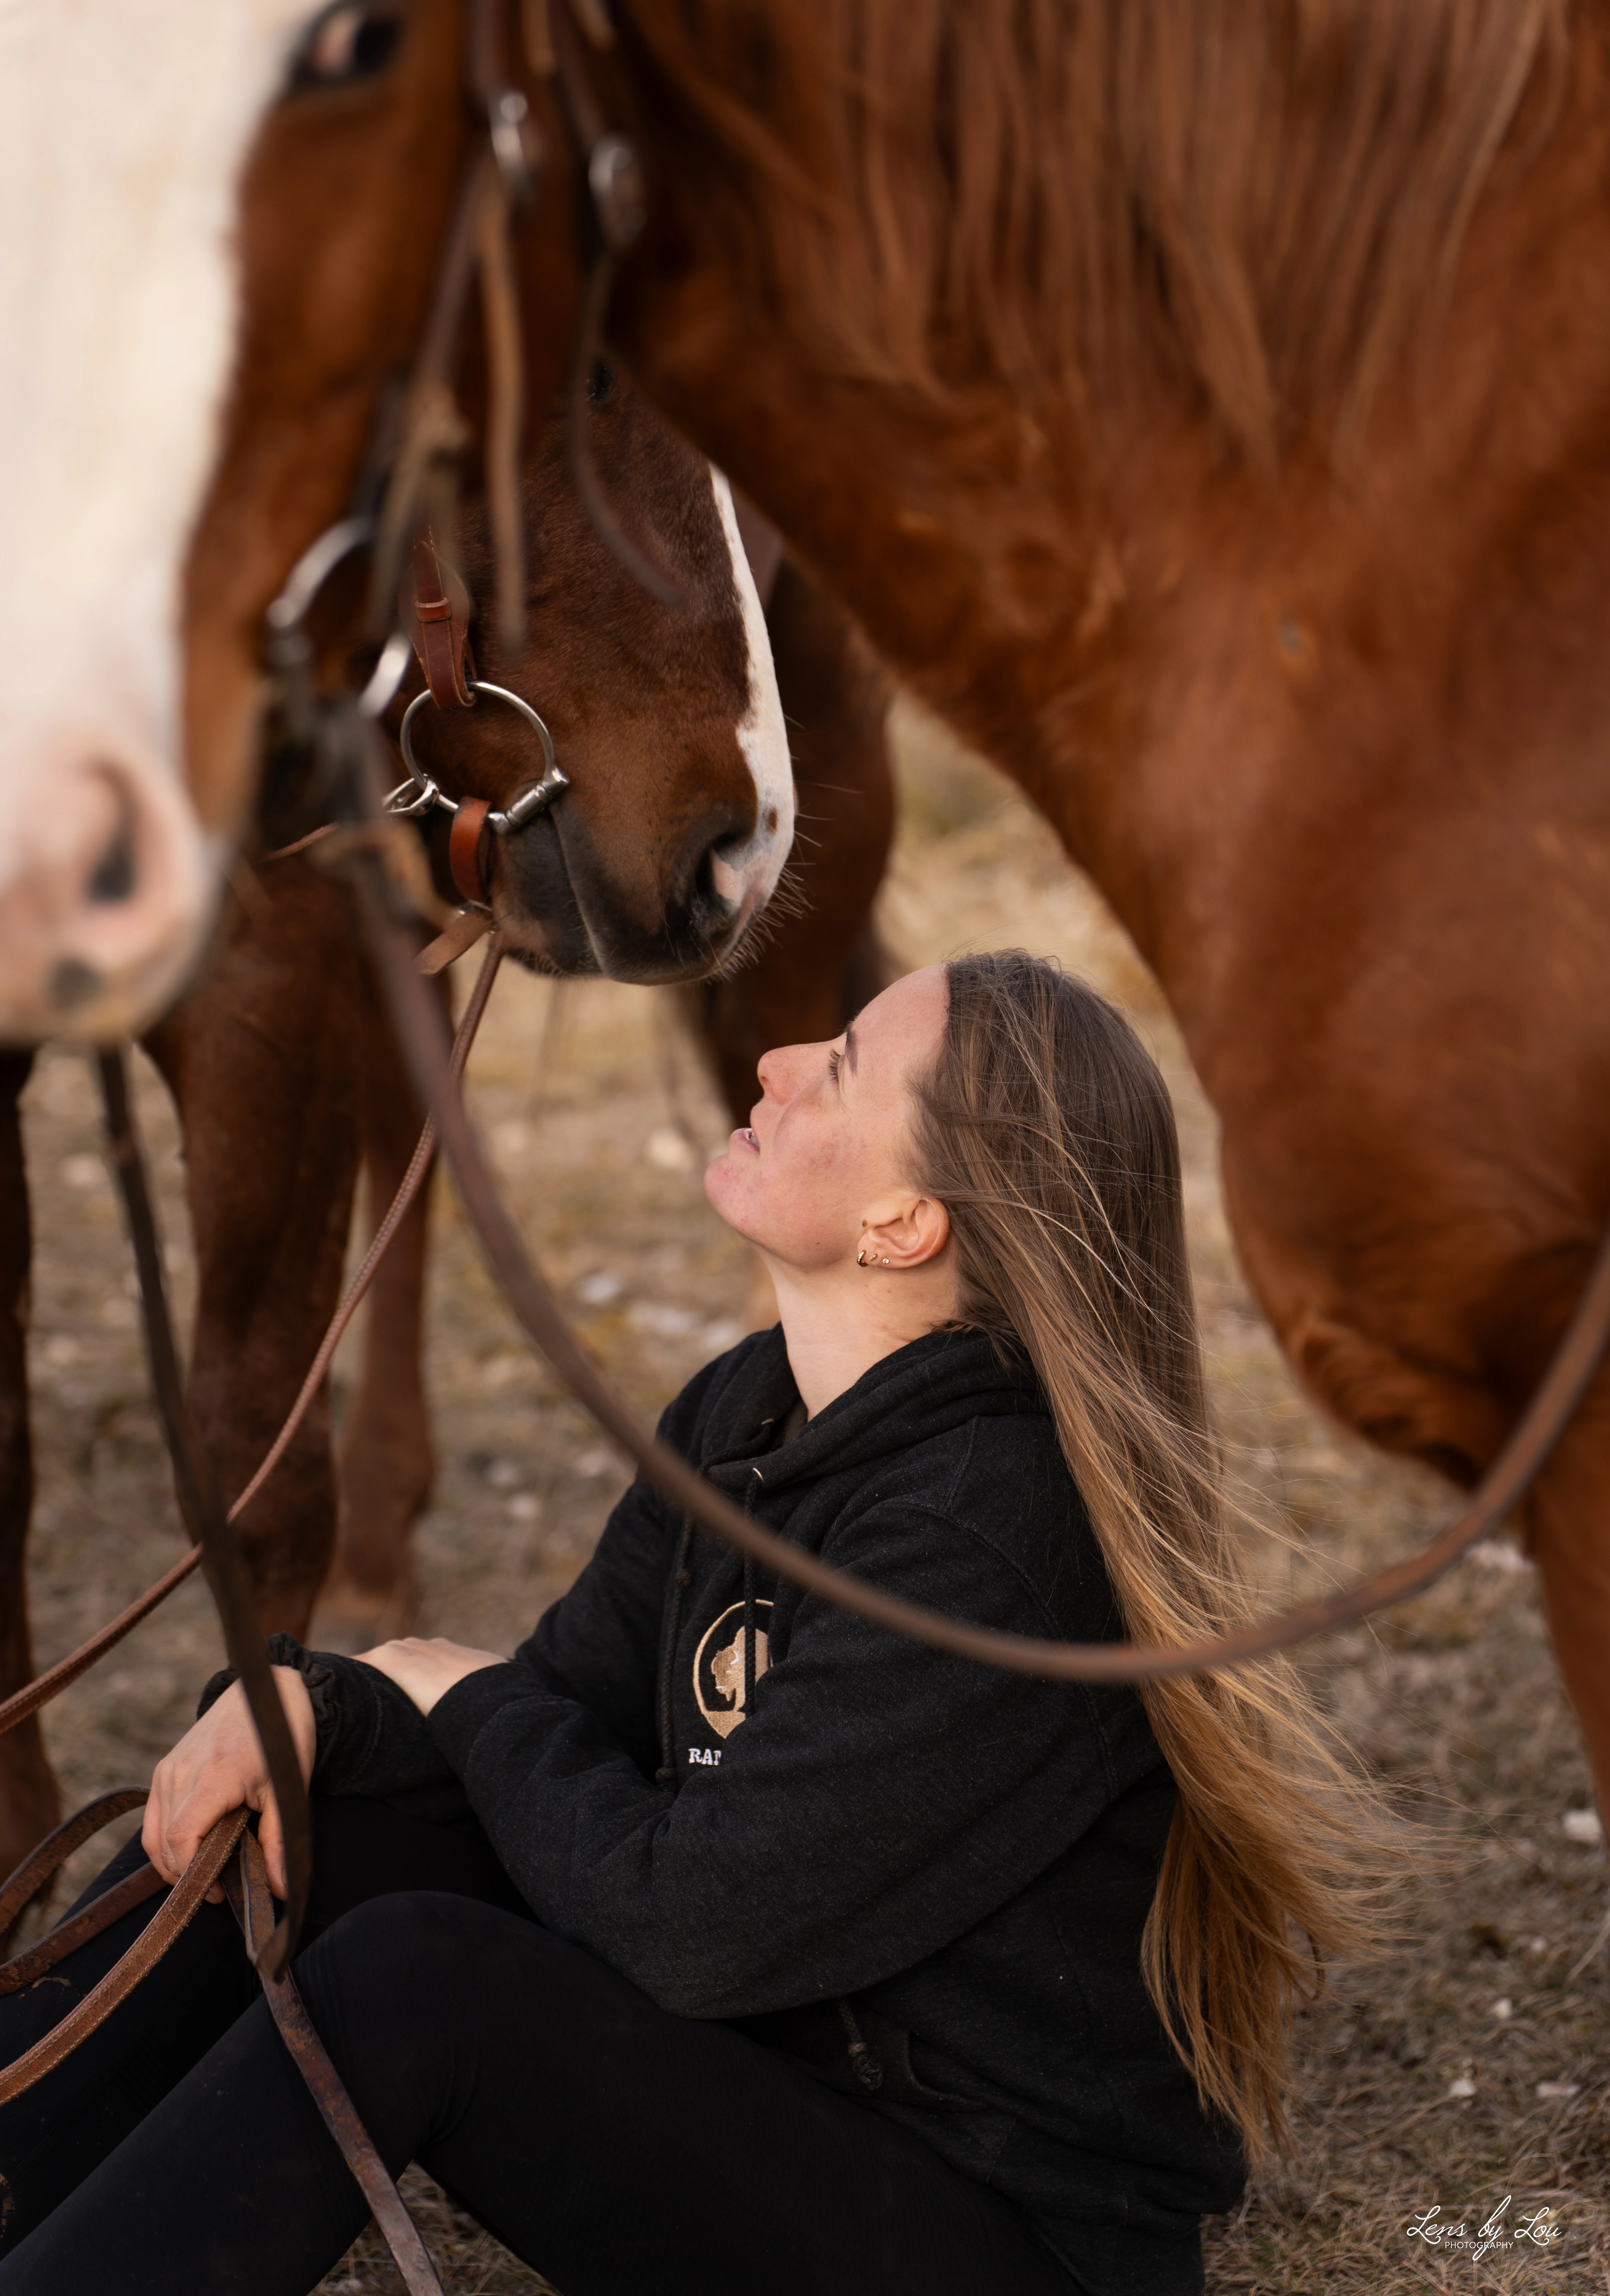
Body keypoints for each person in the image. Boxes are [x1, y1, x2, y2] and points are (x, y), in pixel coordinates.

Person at [0, 953, 1387, 2295]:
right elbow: (546, 1731)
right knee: (320, 1814)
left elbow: (689, 1926)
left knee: (420, 1985)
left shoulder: (991, 1530)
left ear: (905, 1226)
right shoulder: (748, 1415)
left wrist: (444, 1688)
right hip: (777, 2080)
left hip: (985, 2224)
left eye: (838, 1070)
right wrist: (330, 1708)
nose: (777, 1061)